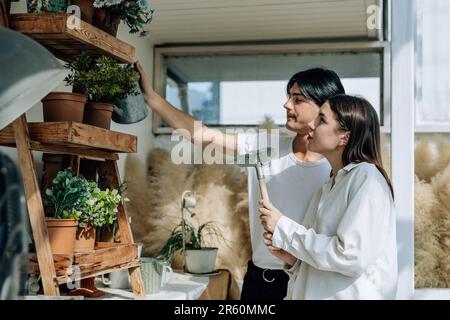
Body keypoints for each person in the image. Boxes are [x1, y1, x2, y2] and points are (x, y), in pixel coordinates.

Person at [134, 63, 345, 300]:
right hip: (259, 283)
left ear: (324, 108)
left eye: (297, 99)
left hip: (309, 285)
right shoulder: (267, 147)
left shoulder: (339, 169)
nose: (286, 105)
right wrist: (153, 99)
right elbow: (203, 135)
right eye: (288, 97)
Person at [259, 95, 398, 300]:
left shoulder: (366, 178)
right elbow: (329, 263)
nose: (312, 125)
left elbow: (350, 256)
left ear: (344, 137)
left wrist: (283, 227)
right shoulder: (328, 187)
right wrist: (294, 259)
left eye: (321, 120)